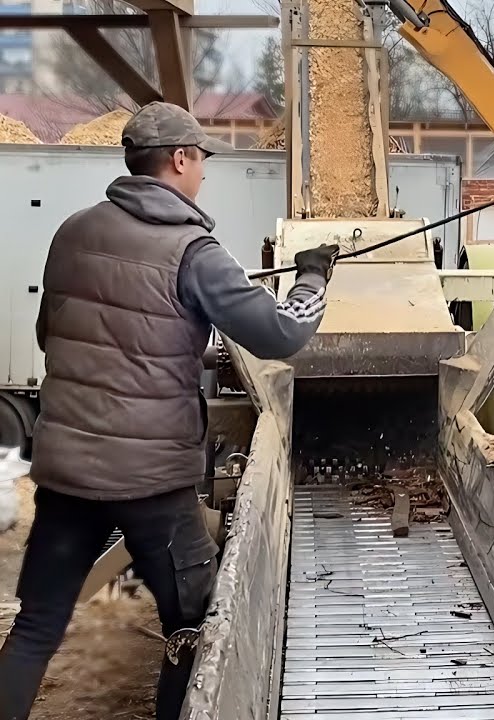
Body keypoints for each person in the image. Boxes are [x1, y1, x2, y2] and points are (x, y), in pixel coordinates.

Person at [0, 102, 340, 720]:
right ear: (180, 159)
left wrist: (177, 346)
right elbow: (280, 334)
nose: (203, 171)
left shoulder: (72, 232)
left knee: (36, 626)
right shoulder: (195, 251)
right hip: (152, 483)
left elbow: (57, 335)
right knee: (191, 627)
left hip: (67, 473)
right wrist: (313, 279)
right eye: (201, 159)